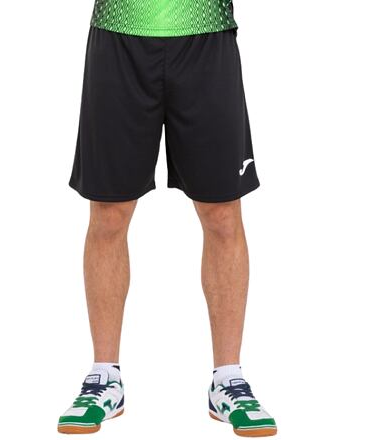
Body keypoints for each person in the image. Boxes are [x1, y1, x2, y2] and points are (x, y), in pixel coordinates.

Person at [58, 0, 277, 437]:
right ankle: (104, 377)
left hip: (206, 32)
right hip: (119, 30)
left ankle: (227, 379)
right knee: (109, 211)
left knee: (222, 211)